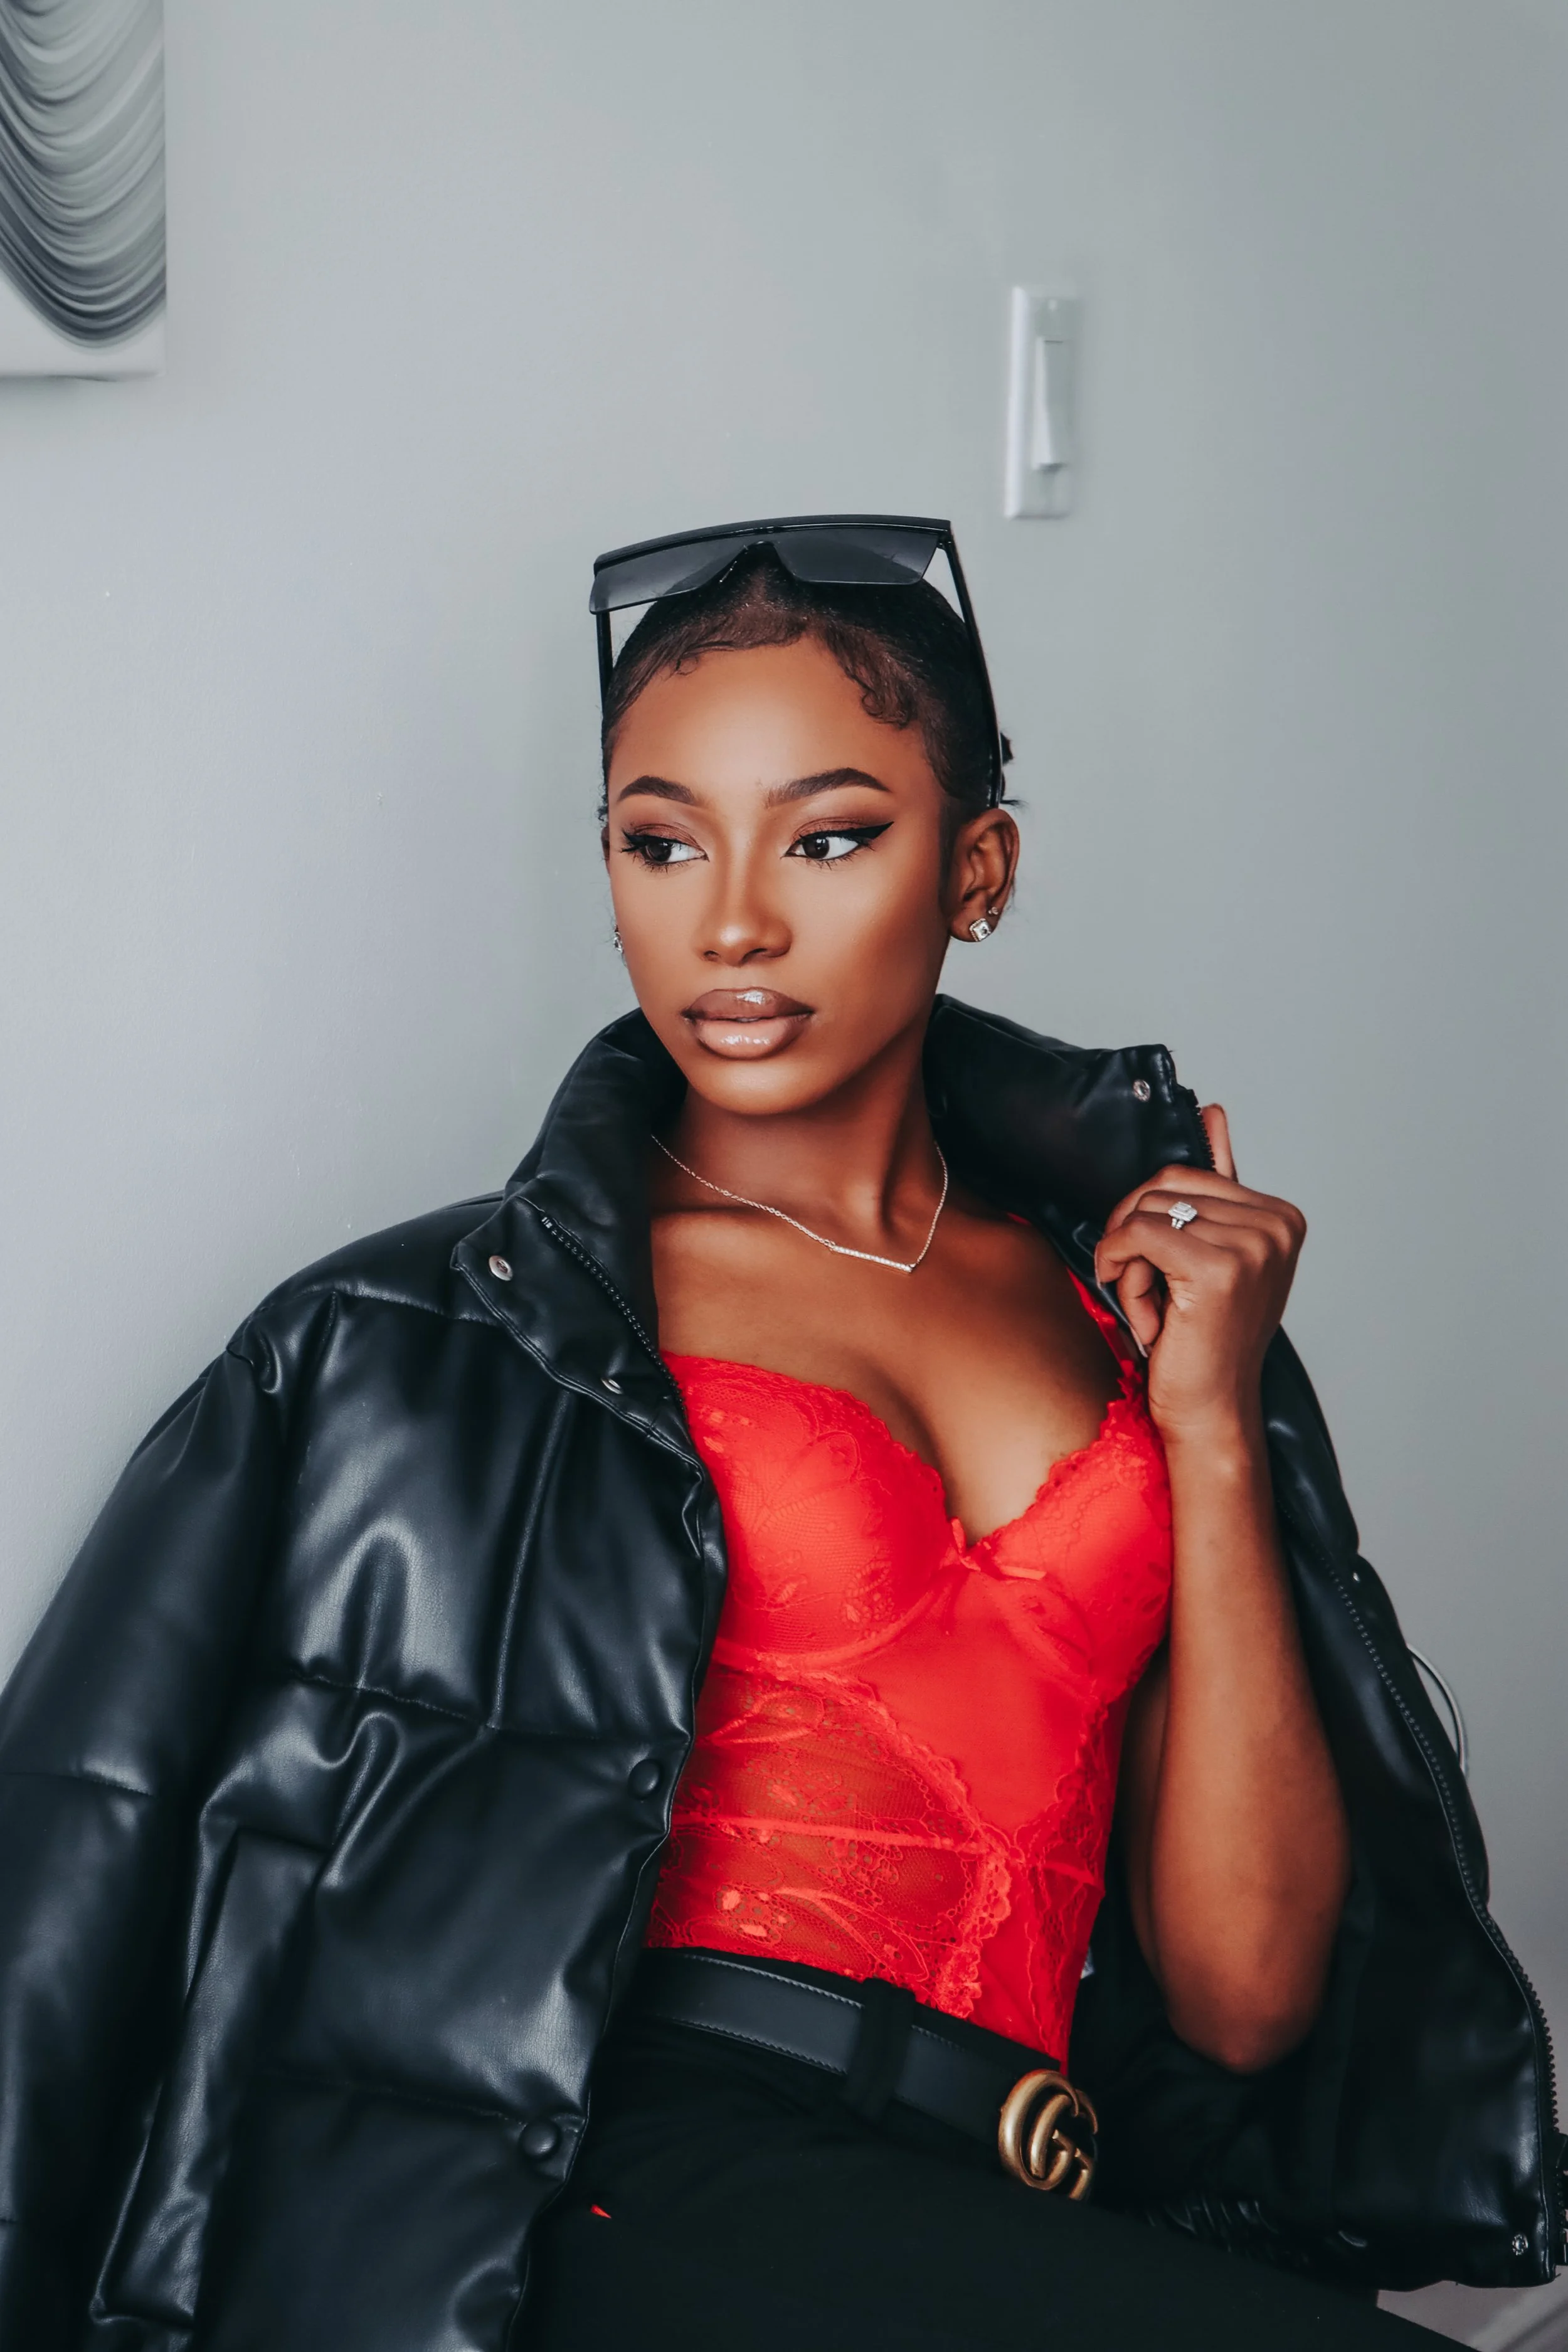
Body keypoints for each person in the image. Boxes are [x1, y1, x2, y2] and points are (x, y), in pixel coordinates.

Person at [0, 519, 1555, 2352]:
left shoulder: (1125, 1312)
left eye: (827, 837)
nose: (731, 923)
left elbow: (1243, 1998)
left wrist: (1209, 1420)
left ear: (977, 869)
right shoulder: (430, 1336)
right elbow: (75, 1874)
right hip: (606, 2169)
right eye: (660, 842)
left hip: (1002, 2189)